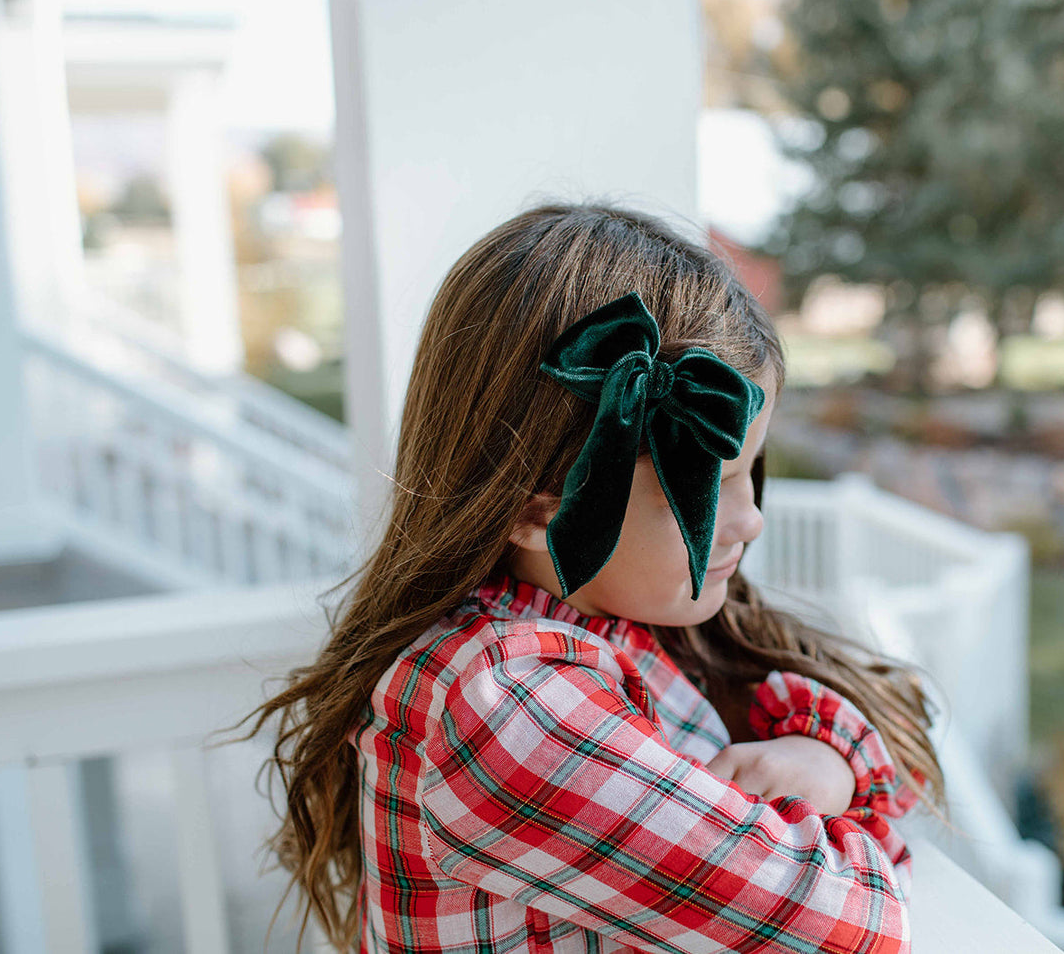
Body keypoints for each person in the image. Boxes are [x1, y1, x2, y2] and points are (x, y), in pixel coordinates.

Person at [242, 202, 947, 953]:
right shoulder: (505, 704)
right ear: (538, 511)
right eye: (712, 486)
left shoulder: (625, 619)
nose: (750, 520)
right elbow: (851, 927)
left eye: (752, 473)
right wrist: (834, 809)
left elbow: (899, 755)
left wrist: (827, 762)